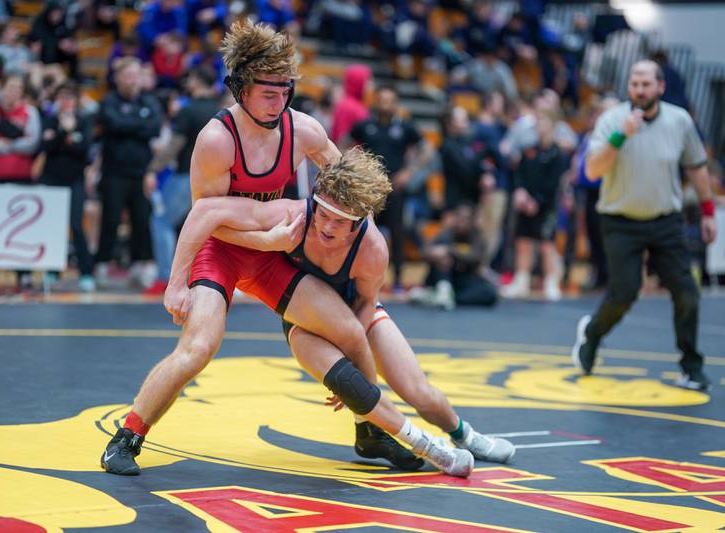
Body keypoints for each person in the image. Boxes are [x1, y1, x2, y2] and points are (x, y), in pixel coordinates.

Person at [99, 20, 438, 476]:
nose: (279, 104)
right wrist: (177, 283)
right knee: (198, 347)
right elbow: (206, 220)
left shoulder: (303, 130)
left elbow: (349, 186)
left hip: (272, 253)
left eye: (285, 93)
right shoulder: (217, 139)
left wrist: (366, 226)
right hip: (221, 249)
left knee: (353, 334)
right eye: (268, 94)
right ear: (240, 89)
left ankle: (369, 432)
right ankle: (127, 436)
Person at [160, 147, 515, 467]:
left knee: (419, 392)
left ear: (359, 221)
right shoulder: (295, 216)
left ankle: (464, 435)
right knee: (350, 381)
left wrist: (356, 366)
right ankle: (376, 431)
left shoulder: (373, 249)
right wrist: (265, 242)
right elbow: (214, 214)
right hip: (306, 320)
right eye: (323, 214)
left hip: (359, 315)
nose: (327, 226)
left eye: (339, 222)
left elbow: (364, 303)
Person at [572, 60, 718, 391]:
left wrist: (708, 210)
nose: (639, 90)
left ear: (660, 87)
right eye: (634, 84)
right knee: (624, 293)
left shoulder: (679, 121)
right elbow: (592, 171)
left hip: (665, 220)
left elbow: (696, 167)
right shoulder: (611, 120)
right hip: (620, 220)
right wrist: (621, 136)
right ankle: (592, 334)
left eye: (646, 84)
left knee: (687, 293)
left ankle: (691, 367)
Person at [143, 65, 222, 295]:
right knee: (208, 229)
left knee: (162, 220)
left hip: (187, 176)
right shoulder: (221, 111)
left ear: (195, 81)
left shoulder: (188, 111)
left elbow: (174, 146)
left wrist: (153, 169)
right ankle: (210, 277)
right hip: (217, 178)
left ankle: (165, 277)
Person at [349, 85, 430, 292]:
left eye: (389, 100)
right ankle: (357, 279)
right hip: (369, 191)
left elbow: (426, 151)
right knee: (362, 234)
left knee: (397, 233)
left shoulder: (405, 127)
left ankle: (398, 281)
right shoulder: (365, 125)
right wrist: (354, 167)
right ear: (375, 102)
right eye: (382, 100)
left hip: (395, 191)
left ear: (396, 104)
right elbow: (344, 144)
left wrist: (409, 172)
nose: (385, 104)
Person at [94, 57, 162, 287]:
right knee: (110, 218)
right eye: (128, 75)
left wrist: (128, 125)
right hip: (113, 171)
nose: (133, 79)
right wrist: (136, 125)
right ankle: (102, 263)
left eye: (136, 75)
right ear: (118, 77)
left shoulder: (149, 102)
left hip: (141, 172)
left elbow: (153, 128)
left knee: (141, 219)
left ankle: (139, 265)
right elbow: (114, 124)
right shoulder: (108, 101)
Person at [501, 112, 568, 301]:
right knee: (523, 242)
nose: (540, 127)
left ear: (553, 126)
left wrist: (536, 201)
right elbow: (519, 174)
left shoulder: (558, 154)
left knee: (547, 245)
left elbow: (553, 183)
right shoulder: (528, 150)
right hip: (525, 204)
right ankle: (521, 280)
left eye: (544, 123)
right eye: (538, 123)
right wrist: (521, 192)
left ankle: (551, 281)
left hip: (546, 206)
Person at [39, 81, 95, 292]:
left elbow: (84, 149)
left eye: (70, 97)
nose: (66, 101)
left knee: (76, 225)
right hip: (52, 180)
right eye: (62, 97)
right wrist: (65, 132)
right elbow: (45, 147)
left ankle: (86, 272)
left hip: (74, 180)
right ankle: (53, 269)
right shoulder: (50, 120)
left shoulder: (84, 121)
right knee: (53, 226)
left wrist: (62, 139)